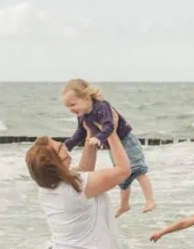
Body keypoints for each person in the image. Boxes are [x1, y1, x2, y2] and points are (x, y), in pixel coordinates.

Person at [61, 78, 156, 217]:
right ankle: (124, 205)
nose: (71, 109)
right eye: (67, 106)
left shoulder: (101, 106)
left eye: (73, 104)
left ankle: (150, 200)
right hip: (112, 145)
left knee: (137, 169)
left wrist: (99, 138)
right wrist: (66, 146)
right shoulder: (82, 115)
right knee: (122, 175)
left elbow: (109, 125)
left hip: (126, 140)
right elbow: (80, 133)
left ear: (86, 98)